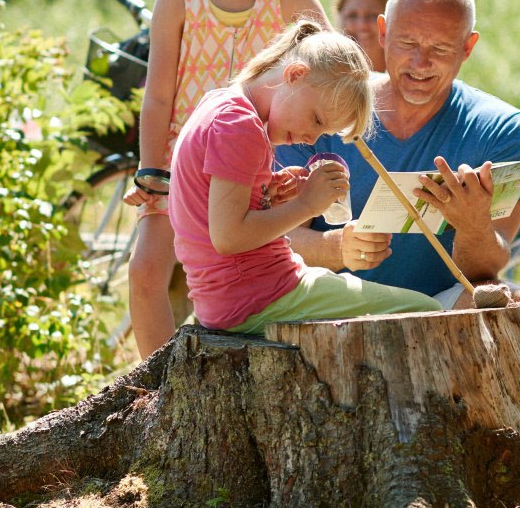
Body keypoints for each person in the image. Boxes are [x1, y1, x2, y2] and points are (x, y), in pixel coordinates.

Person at [121, 0, 327, 360]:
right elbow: (160, 94)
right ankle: (156, 392)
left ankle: (229, 378)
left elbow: (332, 69)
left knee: (242, 279)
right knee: (147, 271)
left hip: (254, 168)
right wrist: (151, 168)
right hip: (183, 165)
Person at [277, 0, 520, 307]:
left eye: (440, 48)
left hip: (438, 307)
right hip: (329, 302)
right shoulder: (324, 106)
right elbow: (276, 238)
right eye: (407, 43)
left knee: (511, 304)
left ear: (467, 47)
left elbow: (484, 272)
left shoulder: (499, 127)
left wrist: (473, 226)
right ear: (382, 32)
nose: (420, 62)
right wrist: (337, 247)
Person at [170, 22, 439, 334]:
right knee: (427, 312)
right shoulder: (240, 125)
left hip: (239, 295)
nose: (312, 138)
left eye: (322, 132)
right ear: (295, 75)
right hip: (255, 298)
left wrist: (268, 196)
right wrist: (308, 205)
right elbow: (229, 237)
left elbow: (215, 213)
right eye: (317, 119)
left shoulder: (221, 106)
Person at [331, 0, 394, 73]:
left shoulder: (407, 76)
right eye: (352, 15)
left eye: (372, 16)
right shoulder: (324, 75)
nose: (362, 25)